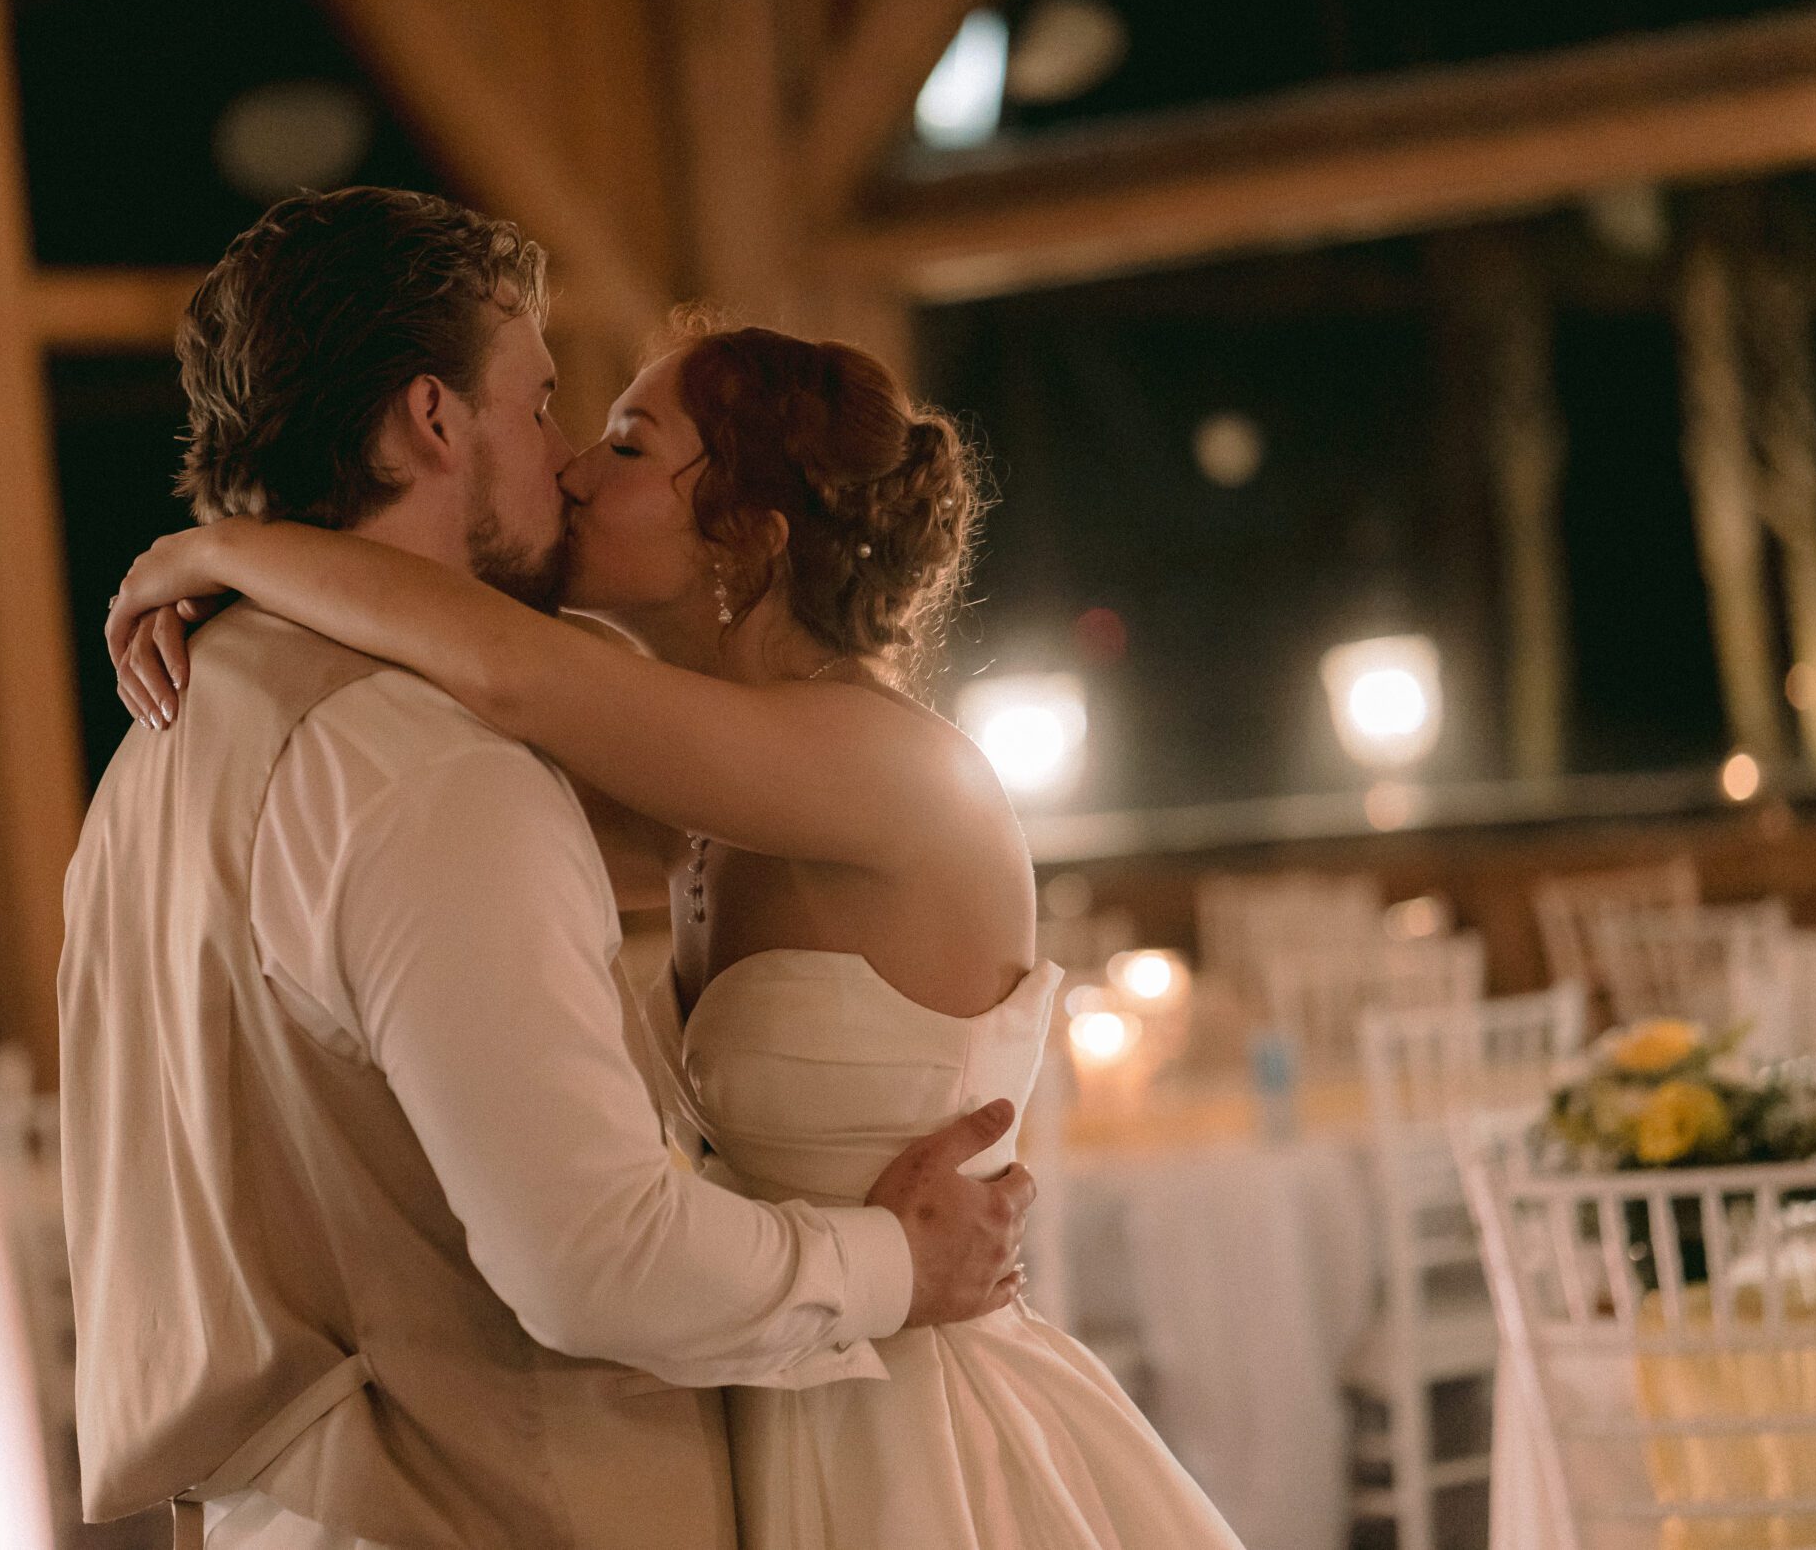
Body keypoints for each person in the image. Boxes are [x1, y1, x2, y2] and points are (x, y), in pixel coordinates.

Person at [105, 303, 1251, 1549]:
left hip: (904, 1427)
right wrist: (245, 613)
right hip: (779, 1374)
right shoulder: (697, 780)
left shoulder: (884, 767)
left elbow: (504, 670)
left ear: (745, 535)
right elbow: (451, 689)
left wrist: (213, 551)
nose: (575, 472)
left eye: (628, 445)